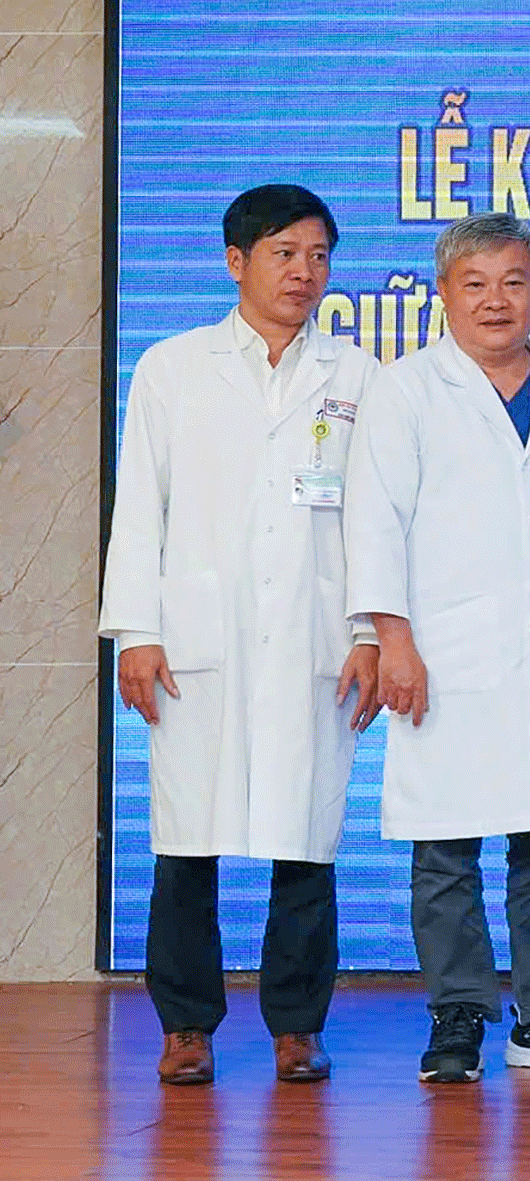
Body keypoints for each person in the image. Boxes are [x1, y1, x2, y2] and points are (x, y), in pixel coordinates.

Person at [100, 183, 381, 1087]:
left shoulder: (358, 375)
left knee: (308, 837)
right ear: (236, 262)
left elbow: (374, 517)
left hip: (315, 634)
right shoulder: (172, 367)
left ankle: (298, 1025)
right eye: (285, 253)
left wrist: (371, 630)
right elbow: (140, 505)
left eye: (319, 256)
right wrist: (137, 629)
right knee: (187, 838)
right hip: (197, 640)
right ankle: (187, 1026)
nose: (305, 273)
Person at [345, 211, 530, 1084]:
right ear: (444, 295)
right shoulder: (407, 388)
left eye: (513, 280)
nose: (496, 300)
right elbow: (375, 519)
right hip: (444, 651)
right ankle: (458, 1012)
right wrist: (392, 638)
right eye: (476, 284)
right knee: (446, 843)